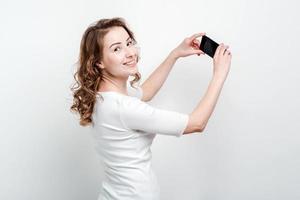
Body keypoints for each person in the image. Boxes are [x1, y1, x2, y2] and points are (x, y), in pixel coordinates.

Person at [70, 17, 231, 200]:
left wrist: (175, 54)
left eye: (129, 43)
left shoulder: (103, 97)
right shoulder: (124, 108)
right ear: (99, 62)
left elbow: (146, 92)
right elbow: (197, 123)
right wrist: (219, 74)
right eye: (117, 48)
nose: (130, 53)